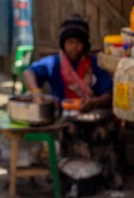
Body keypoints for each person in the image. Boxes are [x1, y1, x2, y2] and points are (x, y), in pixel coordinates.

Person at [21, 14, 123, 190]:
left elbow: (109, 94)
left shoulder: (96, 64)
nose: (74, 47)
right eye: (70, 42)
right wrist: (37, 93)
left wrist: (93, 102)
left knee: (105, 131)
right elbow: (28, 73)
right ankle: (70, 178)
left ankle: (105, 177)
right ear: (63, 44)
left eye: (78, 42)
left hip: (96, 117)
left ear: (85, 44)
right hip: (67, 120)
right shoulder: (54, 63)